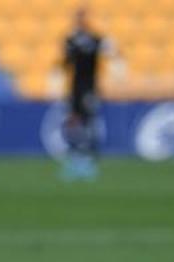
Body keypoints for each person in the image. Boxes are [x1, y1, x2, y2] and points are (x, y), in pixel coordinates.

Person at [61, 7, 118, 181]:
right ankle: (77, 157)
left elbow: (110, 52)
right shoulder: (72, 40)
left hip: (89, 87)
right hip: (76, 87)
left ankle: (88, 159)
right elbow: (66, 62)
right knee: (75, 121)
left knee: (88, 121)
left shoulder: (94, 39)